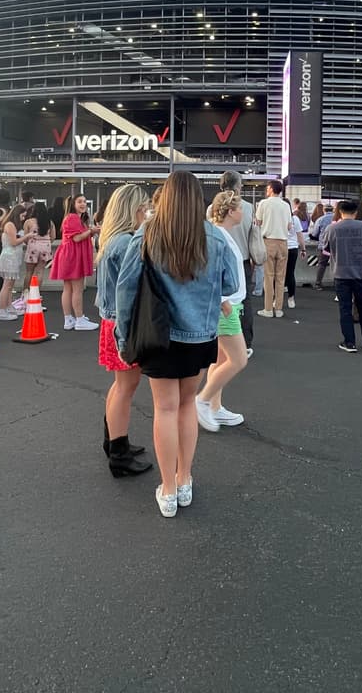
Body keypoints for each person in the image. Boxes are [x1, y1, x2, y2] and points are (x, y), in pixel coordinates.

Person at [114, 171, 240, 518]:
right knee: (187, 406)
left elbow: (125, 289)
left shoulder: (148, 233)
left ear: (165, 198)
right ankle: (184, 481)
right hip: (200, 336)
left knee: (165, 410)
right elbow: (229, 282)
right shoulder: (213, 237)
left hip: (158, 336)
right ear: (198, 199)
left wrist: (123, 336)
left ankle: (167, 492)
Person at [94, 184, 153, 477]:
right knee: (126, 388)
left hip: (112, 320)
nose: (148, 212)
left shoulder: (112, 240)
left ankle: (115, 442)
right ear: (135, 209)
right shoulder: (127, 241)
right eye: (144, 207)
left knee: (121, 386)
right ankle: (118, 452)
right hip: (124, 324)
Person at [197, 190, 250, 430]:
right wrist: (223, 299)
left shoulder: (219, 233)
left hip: (227, 303)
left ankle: (214, 407)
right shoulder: (217, 235)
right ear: (230, 211)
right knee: (238, 359)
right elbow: (209, 271)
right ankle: (203, 400)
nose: (243, 212)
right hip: (225, 305)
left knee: (220, 359)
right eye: (239, 208)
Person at [328, 200, 362, 353]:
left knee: (345, 308)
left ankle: (349, 342)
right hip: (361, 272)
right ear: (356, 212)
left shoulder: (333, 228)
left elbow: (325, 246)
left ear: (340, 212)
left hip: (341, 273)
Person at [214, 171, 256, 356]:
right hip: (243, 259)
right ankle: (245, 341)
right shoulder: (248, 207)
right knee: (244, 300)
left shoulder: (212, 208)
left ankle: (225, 341)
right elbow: (254, 234)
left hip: (222, 261)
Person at [51, 194, 99, 331]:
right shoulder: (72, 218)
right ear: (73, 204)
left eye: (84, 201)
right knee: (77, 289)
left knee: (68, 288)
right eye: (80, 202)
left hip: (68, 255)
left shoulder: (72, 218)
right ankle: (79, 319)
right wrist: (91, 231)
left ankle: (69, 319)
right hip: (73, 256)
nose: (83, 204)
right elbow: (77, 238)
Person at [254, 179, 292, 319]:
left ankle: (268, 309)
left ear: (270, 189)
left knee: (268, 277)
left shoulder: (263, 203)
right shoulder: (285, 205)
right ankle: (279, 308)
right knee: (280, 278)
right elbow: (289, 226)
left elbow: (257, 222)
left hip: (268, 242)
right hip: (283, 243)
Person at [0, 204, 27, 321]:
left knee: (10, 285)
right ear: (17, 214)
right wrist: (27, 236)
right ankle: (2, 310)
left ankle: (9, 306)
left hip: (14, 257)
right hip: (9, 257)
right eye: (22, 216)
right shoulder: (9, 225)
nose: (23, 218)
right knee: (7, 285)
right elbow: (14, 242)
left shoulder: (13, 225)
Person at [20, 202, 55, 299]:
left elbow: (25, 237)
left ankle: (25, 294)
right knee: (40, 271)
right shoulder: (49, 222)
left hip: (33, 246)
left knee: (29, 272)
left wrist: (31, 243)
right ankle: (35, 295)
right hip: (45, 247)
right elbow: (53, 237)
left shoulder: (29, 222)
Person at [284, 201, 306, 310]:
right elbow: (300, 235)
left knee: (276, 274)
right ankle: (291, 298)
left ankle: (275, 300)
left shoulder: (276, 218)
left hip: (280, 247)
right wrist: (303, 249)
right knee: (290, 273)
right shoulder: (295, 219)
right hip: (292, 248)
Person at [309, 204, 335, 289]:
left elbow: (315, 233)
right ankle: (337, 283)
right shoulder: (337, 219)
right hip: (336, 245)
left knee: (322, 264)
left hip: (324, 245)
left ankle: (318, 283)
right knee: (337, 264)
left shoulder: (320, 219)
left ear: (324, 210)